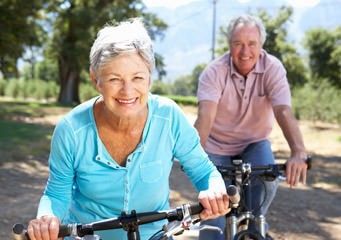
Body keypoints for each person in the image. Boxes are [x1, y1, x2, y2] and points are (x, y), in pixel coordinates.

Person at [27, 18, 230, 240]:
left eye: (137, 78)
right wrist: (47, 218)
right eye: (115, 79)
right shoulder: (71, 130)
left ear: (150, 78)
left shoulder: (169, 117)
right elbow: (57, 193)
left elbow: (204, 171)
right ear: (96, 80)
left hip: (154, 235)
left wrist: (214, 189)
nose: (127, 91)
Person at [194, 14, 309, 240]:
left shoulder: (273, 68)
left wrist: (298, 152)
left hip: (254, 142)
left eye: (251, 44)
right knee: (213, 216)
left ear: (261, 45)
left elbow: (283, 111)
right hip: (217, 146)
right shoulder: (214, 72)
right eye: (238, 44)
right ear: (229, 45)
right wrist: (195, 159)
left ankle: (255, 226)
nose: (245, 51)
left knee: (265, 187)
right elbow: (205, 117)